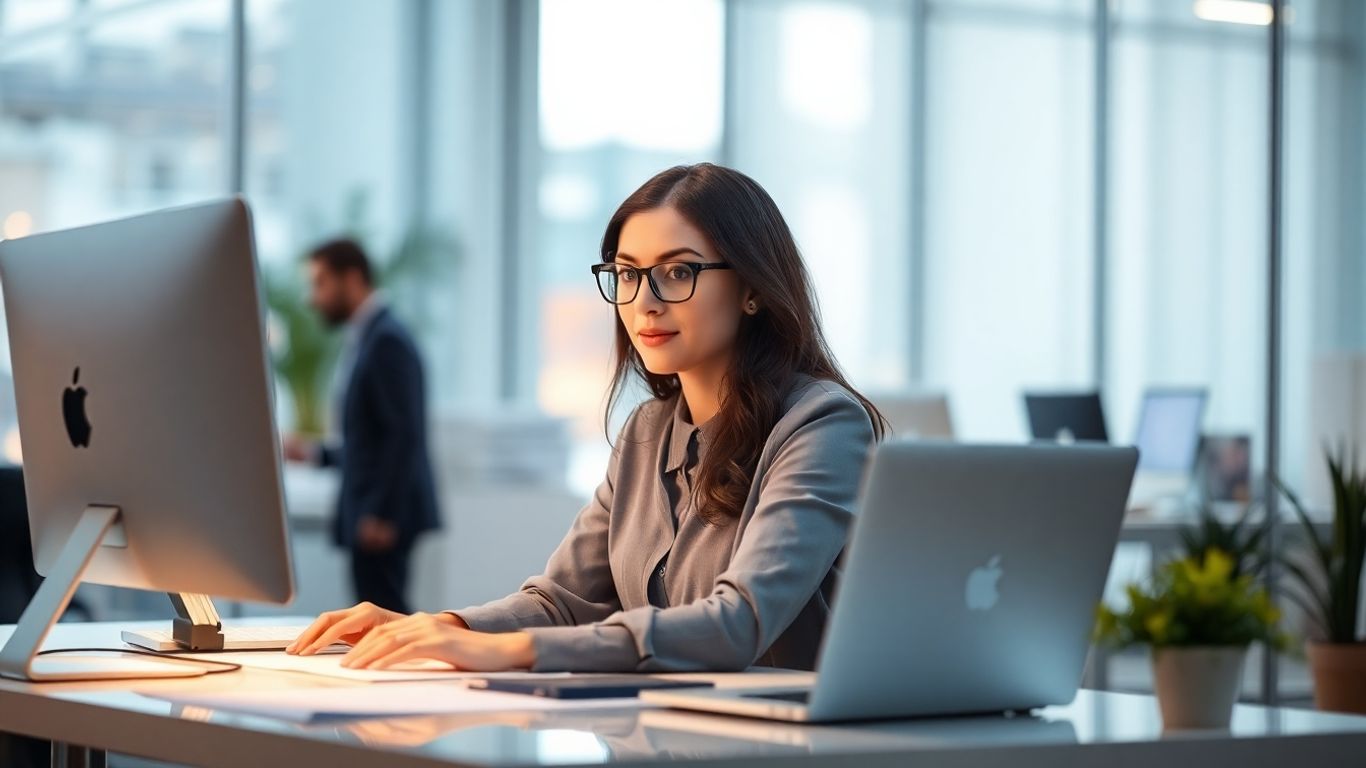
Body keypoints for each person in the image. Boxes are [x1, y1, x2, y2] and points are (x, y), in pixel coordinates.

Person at [287, 164, 884, 672]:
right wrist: (441, 626)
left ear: (751, 288)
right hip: (658, 737)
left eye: (678, 271)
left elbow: (740, 623)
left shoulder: (823, 425)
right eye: (627, 273)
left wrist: (517, 651)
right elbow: (562, 600)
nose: (645, 300)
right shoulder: (646, 432)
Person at [283, 238, 440, 614]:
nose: (312, 298)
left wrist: (382, 513)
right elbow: (369, 441)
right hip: (371, 512)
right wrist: (315, 453)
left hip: (380, 519)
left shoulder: (387, 341)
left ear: (351, 279)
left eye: (320, 283)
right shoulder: (369, 338)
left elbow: (403, 435)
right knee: (373, 618)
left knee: (383, 618)